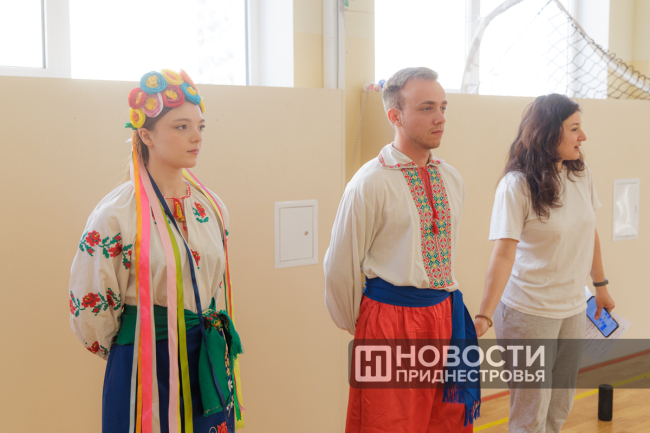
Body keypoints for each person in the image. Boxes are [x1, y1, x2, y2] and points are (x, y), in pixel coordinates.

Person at [69, 69, 244, 433]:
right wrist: (134, 346)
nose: (196, 136)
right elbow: (91, 307)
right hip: (144, 362)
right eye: (181, 127)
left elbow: (215, 286)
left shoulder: (211, 207)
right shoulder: (116, 215)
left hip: (205, 358)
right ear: (146, 135)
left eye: (200, 126)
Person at [324, 67, 480, 432]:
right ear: (395, 116)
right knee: (388, 423)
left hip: (445, 314)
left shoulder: (451, 178)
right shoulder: (370, 182)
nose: (440, 118)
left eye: (442, 107)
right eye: (427, 108)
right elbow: (340, 266)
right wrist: (367, 326)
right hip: (390, 322)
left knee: (446, 421)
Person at [474, 94, 615, 432]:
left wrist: (601, 286)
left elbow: (589, 233)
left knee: (559, 408)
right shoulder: (517, 185)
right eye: (574, 129)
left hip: (573, 310)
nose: (583, 137)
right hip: (528, 313)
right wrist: (484, 314)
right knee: (531, 415)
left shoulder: (580, 174)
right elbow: (503, 254)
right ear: (549, 132)